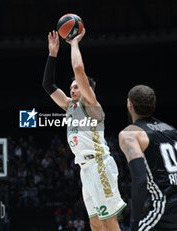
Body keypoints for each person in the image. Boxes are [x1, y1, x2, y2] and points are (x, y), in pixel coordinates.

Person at [42, 29, 126, 231]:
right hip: (85, 169)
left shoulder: (91, 105)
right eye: (71, 88)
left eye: (76, 87)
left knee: (109, 221)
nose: (72, 90)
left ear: (88, 90)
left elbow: (78, 68)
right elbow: (48, 85)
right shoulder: (70, 106)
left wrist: (73, 43)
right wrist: (52, 54)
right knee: (96, 224)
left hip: (100, 165)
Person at [118, 84, 177, 231]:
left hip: (168, 206)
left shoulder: (130, 134)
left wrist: (134, 223)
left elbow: (140, 181)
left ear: (129, 104)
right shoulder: (173, 131)